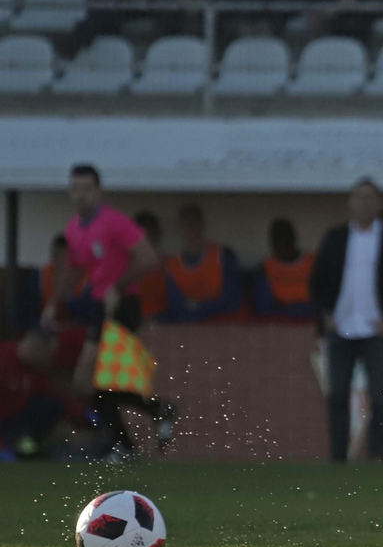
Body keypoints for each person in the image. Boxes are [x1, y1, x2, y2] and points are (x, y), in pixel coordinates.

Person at [43, 165, 176, 460]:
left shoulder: (114, 222)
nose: (80, 195)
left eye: (87, 189)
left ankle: (126, 443)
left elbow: (148, 258)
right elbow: (74, 267)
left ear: (98, 191)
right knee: (91, 382)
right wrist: (55, 302)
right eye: (75, 189)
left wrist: (118, 285)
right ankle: (154, 415)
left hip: (124, 304)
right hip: (102, 306)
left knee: (87, 379)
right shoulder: (75, 229)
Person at [310, 179, 383, 463]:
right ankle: (338, 456)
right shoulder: (335, 238)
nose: (364, 203)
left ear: (379, 203)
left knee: (379, 397)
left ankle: (377, 455)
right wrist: (325, 315)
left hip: (376, 331)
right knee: (337, 394)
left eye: (370, 198)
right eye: (358, 197)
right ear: (349, 202)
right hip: (341, 329)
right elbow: (317, 281)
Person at [0, 326, 89, 461]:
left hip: (15, 421)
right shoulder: (4, 361)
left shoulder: (31, 369)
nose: (51, 358)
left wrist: (81, 416)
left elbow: (54, 393)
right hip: (6, 425)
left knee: (52, 406)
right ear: (37, 347)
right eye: (49, 353)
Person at [160, 205, 242, 323]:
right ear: (179, 229)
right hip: (192, 328)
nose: (191, 229)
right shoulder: (172, 265)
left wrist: (200, 306)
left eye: (194, 223)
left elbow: (232, 301)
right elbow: (177, 309)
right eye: (186, 225)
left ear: (202, 225)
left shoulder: (222, 255)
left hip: (226, 325)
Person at [257, 219, 316, 320]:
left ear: (293, 240)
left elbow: (325, 301)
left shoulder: (313, 262)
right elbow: (264, 307)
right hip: (280, 322)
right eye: (277, 242)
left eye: (286, 241)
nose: (282, 246)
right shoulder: (266, 267)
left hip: (312, 320)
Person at [130, 213, 169, 322]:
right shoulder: (122, 268)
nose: (146, 237)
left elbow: (178, 306)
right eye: (142, 233)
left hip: (163, 326)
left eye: (150, 232)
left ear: (157, 234)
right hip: (129, 327)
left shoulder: (169, 265)